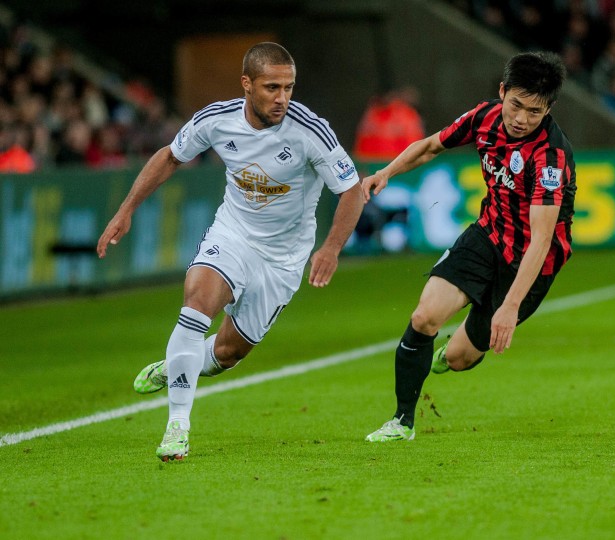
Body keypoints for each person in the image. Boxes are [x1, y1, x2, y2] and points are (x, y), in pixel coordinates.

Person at [96, 42, 364, 460]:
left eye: (289, 87)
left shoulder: (309, 130)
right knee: (197, 302)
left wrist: (331, 247)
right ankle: (177, 427)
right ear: (247, 84)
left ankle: (174, 366)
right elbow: (170, 157)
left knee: (227, 353)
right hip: (234, 234)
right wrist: (127, 209)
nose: (282, 98)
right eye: (272, 87)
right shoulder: (216, 120)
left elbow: (351, 190)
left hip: (284, 258)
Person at [361, 51, 576, 442]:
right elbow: (430, 146)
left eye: (535, 111)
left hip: (531, 264)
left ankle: (452, 351)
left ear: (549, 108)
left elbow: (542, 239)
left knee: (459, 359)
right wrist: (387, 172)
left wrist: (509, 306)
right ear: (501, 92)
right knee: (425, 316)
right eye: (516, 105)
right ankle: (402, 422)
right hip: (487, 236)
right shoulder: (485, 118)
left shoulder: (550, 156)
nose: (522, 119)